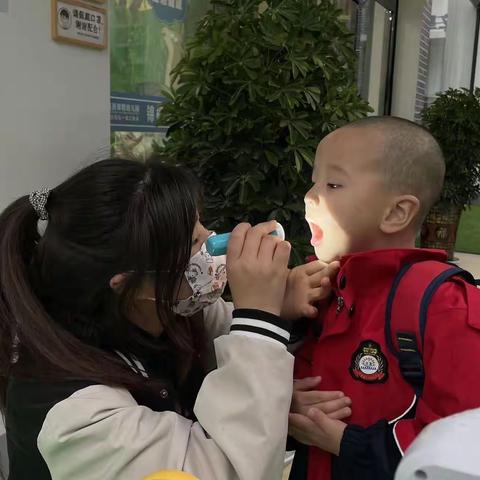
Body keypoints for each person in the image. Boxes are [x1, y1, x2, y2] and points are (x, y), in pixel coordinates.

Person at [0, 157, 334, 480]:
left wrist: (281, 309)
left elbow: (233, 342)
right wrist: (259, 318)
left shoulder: (169, 310)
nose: (215, 244)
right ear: (126, 283)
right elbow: (224, 471)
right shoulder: (72, 414)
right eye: (193, 242)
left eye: (201, 225)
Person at [287, 116, 480, 480]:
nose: (309, 196)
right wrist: (289, 401)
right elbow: (295, 391)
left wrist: (350, 444)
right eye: (313, 182)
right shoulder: (325, 290)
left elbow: (464, 441)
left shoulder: (444, 305)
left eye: (333, 183)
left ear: (396, 212)